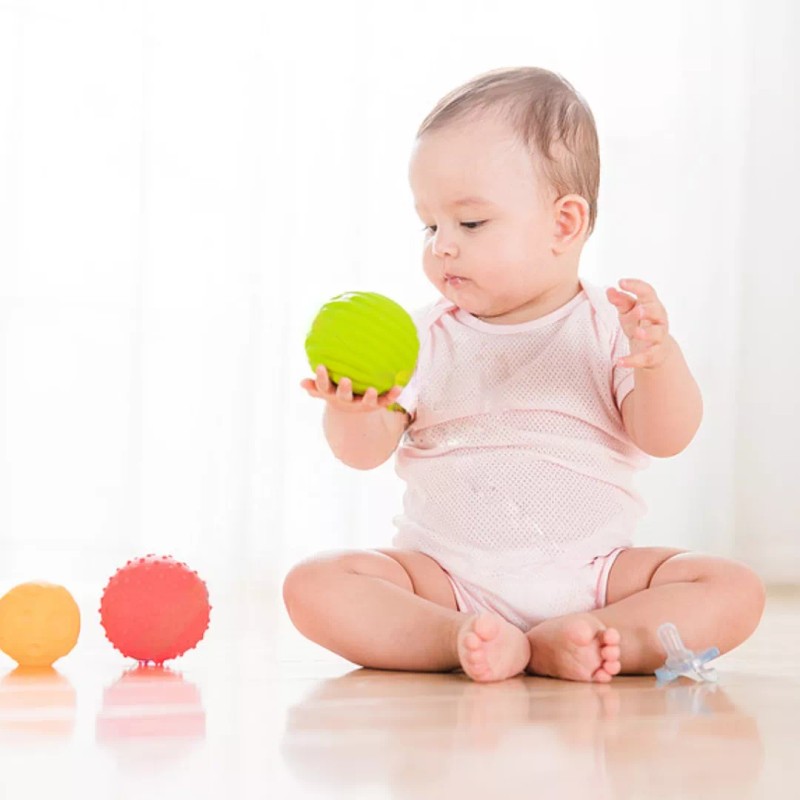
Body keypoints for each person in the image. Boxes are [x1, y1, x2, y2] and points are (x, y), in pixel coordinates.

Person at [283, 67, 765, 683]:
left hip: (595, 576)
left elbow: (665, 436)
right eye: (430, 225)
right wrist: (351, 410)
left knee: (731, 587)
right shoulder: (423, 337)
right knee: (315, 584)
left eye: (470, 223)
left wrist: (661, 364)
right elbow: (363, 454)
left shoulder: (608, 326)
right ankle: (457, 638)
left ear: (564, 224)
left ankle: (595, 636)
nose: (442, 247)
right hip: (445, 578)